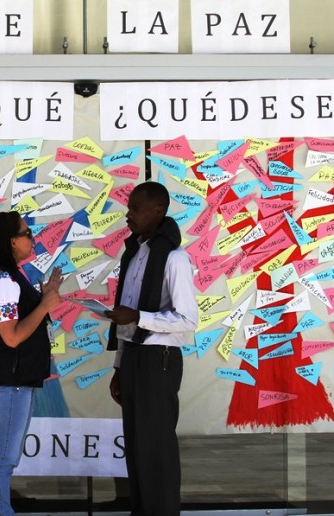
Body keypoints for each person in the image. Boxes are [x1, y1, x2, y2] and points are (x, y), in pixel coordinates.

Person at [105, 181, 198, 516]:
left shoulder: (175, 259)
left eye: (136, 208)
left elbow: (188, 319)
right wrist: (118, 366)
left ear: (159, 210)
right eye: (129, 207)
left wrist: (140, 317)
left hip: (159, 359)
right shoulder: (133, 254)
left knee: (156, 449)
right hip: (132, 359)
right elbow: (126, 318)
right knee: (136, 448)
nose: (128, 215)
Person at [0, 210, 63, 516]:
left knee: (7, 455)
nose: (33, 239)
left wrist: (45, 297)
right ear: (12, 241)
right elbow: (11, 337)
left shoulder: (10, 275)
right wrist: (45, 306)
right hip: (10, 382)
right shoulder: (0, 279)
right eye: (27, 234)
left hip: (17, 380)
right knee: (4, 457)